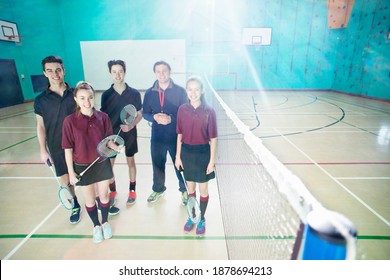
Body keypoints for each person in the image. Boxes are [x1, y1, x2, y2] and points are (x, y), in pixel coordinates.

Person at [62, 81, 120, 243]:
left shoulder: (103, 117)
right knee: (89, 200)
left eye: (90, 97)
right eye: (82, 98)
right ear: (75, 99)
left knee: (104, 196)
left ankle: (105, 222)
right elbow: (67, 149)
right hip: (81, 167)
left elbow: (108, 141)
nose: (87, 102)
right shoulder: (69, 121)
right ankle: (96, 225)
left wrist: (117, 146)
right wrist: (71, 173)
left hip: (101, 164)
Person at [34, 55, 81, 224]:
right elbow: (40, 126)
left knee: (89, 175)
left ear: (64, 71)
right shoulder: (40, 100)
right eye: (50, 70)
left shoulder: (76, 93)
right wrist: (42, 149)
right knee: (66, 179)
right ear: (44, 73)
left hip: (80, 144)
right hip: (56, 145)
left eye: (58, 70)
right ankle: (75, 203)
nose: (55, 74)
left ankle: (95, 201)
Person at [175, 76, 217, 236]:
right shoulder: (182, 110)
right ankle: (192, 216)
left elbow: (213, 139)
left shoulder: (209, 111)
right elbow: (179, 135)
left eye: (196, 89)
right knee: (190, 189)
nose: (193, 93)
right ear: (187, 91)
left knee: (203, 190)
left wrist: (212, 161)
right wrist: (178, 157)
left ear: (202, 91)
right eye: (190, 89)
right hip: (186, 153)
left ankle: (202, 219)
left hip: (203, 154)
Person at [142, 61, 187, 204]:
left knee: (179, 164)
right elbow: (145, 113)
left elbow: (185, 113)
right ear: (155, 73)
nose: (162, 74)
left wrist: (171, 119)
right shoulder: (149, 93)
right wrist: (154, 117)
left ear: (170, 71)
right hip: (157, 136)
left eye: (164, 71)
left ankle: (185, 190)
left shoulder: (180, 91)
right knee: (157, 164)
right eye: (158, 71)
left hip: (175, 135)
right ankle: (158, 189)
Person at [101, 60, 142, 206]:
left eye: (120, 71)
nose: (117, 75)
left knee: (130, 161)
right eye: (114, 72)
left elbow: (139, 114)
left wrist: (132, 126)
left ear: (124, 72)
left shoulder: (134, 93)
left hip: (129, 133)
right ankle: (113, 191)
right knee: (109, 164)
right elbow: (103, 118)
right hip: (112, 136)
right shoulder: (106, 95)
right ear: (110, 73)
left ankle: (132, 190)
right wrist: (106, 137)